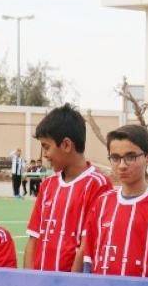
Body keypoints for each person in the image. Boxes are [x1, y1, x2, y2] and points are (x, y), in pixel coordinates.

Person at [80, 125, 148, 277]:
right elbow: (89, 257)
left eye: (130, 157)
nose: (122, 165)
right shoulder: (102, 202)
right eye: (115, 158)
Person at [25, 104, 113, 272]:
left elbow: (86, 245)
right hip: (40, 282)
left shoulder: (98, 184)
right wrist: (29, 279)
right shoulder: (48, 184)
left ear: (66, 145)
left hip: (71, 284)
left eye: (46, 147)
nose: (45, 154)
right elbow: (34, 237)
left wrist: (72, 283)